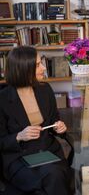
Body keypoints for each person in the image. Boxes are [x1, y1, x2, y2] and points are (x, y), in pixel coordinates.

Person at [0, 46, 72, 194]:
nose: (44, 68)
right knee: (55, 176)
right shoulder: (2, 99)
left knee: (52, 178)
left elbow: (54, 120)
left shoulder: (45, 90)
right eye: (38, 65)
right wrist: (19, 136)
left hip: (48, 152)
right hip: (19, 159)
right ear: (23, 68)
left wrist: (59, 127)